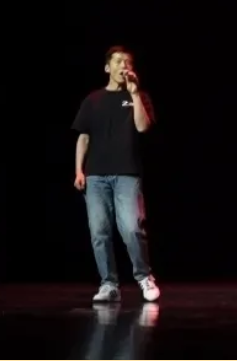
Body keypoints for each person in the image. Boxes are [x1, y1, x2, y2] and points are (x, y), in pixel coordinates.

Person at [73, 46, 161, 303]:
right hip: (95, 175)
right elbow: (83, 137)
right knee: (99, 232)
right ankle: (109, 284)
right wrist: (79, 170)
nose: (124, 65)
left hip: (127, 173)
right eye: (119, 61)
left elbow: (142, 127)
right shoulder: (93, 100)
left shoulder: (138, 96)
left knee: (132, 228)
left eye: (128, 62)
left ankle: (144, 276)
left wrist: (134, 94)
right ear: (107, 67)